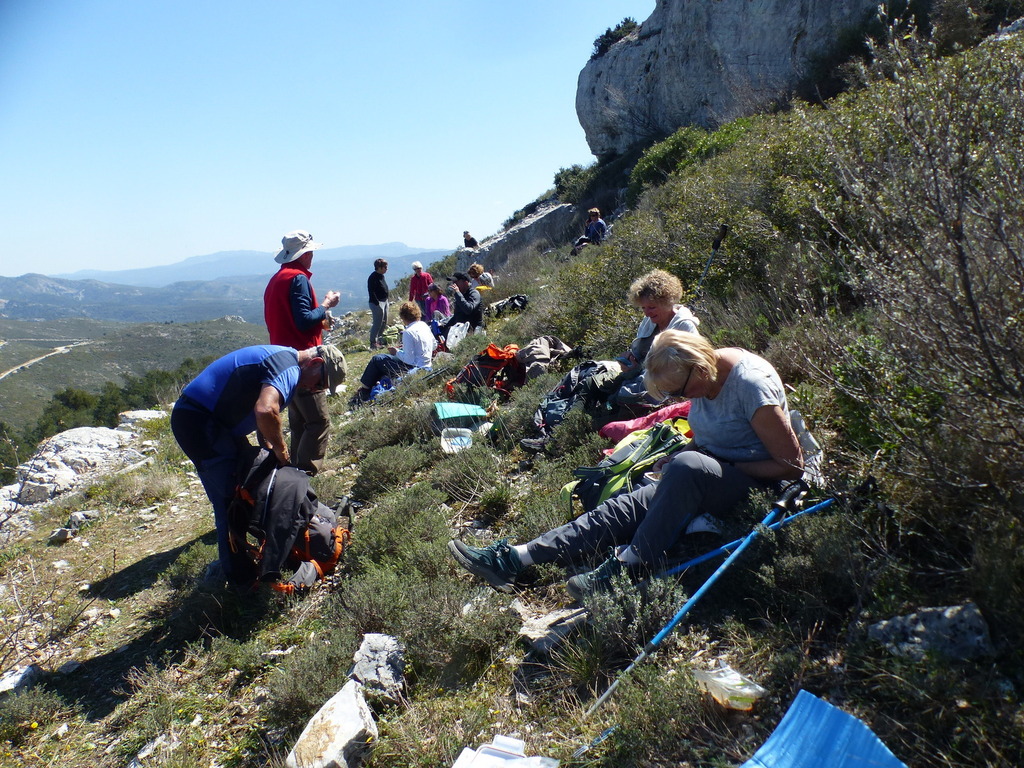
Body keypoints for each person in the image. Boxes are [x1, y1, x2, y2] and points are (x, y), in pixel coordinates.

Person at [451, 330, 803, 600]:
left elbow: (791, 465)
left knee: (687, 468)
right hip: (708, 472)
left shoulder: (750, 386)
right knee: (623, 505)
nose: (681, 400)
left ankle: (628, 564)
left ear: (699, 367)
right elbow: (709, 436)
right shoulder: (704, 378)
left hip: (757, 483)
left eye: (680, 391)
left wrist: (701, 464)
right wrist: (682, 456)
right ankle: (517, 558)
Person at [171, 344, 348, 585]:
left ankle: (257, 554)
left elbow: (260, 415)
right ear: (315, 364)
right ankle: (238, 580)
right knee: (228, 500)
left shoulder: (284, 361)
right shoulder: (288, 370)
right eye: (319, 384)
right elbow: (265, 410)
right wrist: (281, 450)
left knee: (247, 484)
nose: (313, 389)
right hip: (199, 422)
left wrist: (270, 449)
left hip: (212, 421)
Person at [519, 269, 699, 453]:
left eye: (651, 307)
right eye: (643, 308)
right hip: (636, 374)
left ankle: (563, 440)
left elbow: (682, 368)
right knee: (590, 383)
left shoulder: (684, 326)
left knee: (615, 399)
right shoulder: (650, 321)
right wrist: (631, 356)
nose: (646, 313)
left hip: (660, 384)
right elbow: (639, 351)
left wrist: (641, 369)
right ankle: (556, 431)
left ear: (667, 301)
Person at [263, 230, 341, 475]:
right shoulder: (298, 279)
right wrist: (326, 305)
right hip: (304, 359)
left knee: (299, 421)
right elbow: (304, 320)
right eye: (311, 252)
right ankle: (304, 474)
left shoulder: (277, 279)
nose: (312, 256)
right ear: (304, 254)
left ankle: (292, 471)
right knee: (318, 420)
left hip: (282, 358)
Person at [350, 301, 435, 403]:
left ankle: (365, 389)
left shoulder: (408, 332)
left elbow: (409, 359)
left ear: (403, 317)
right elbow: (434, 345)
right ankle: (373, 384)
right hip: (427, 363)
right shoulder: (423, 325)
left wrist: (397, 352)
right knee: (383, 360)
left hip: (414, 367)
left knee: (377, 359)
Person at [439, 271, 483, 340]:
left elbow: (468, 309)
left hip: (473, 331)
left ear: (465, 282)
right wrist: (444, 327)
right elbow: (457, 315)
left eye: (456, 282)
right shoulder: (461, 295)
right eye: (453, 282)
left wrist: (458, 293)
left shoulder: (474, 293)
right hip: (460, 331)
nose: (454, 285)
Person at [367, 258, 390, 349]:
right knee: (377, 323)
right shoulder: (373, 277)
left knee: (384, 321)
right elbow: (371, 292)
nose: (386, 269)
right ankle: (373, 342)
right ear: (379, 267)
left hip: (385, 301)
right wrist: (377, 304)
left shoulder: (381, 276)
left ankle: (379, 340)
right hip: (377, 303)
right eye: (385, 267)